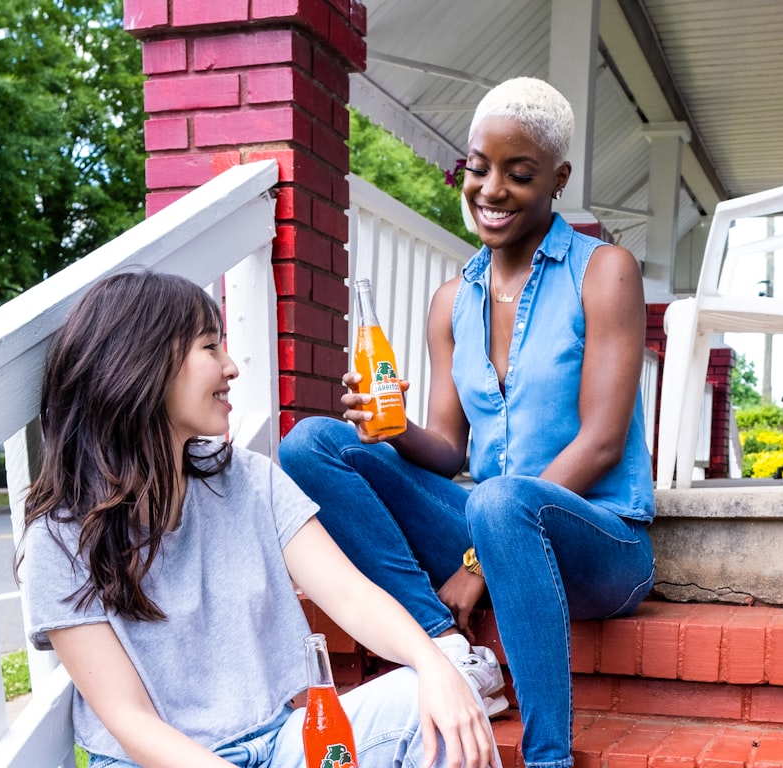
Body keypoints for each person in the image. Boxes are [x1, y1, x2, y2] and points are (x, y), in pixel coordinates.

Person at [279, 77, 655, 767]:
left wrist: (476, 565)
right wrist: (390, 433)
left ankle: (547, 758)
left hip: (599, 544)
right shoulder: (454, 298)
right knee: (310, 445)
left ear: (558, 179)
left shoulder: (605, 272)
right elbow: (449, 447)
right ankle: (451, 654)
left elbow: (600, 443)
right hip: (487, 519)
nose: (490, 190)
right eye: (478, 168)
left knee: (501, 498)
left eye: (518, 174)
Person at [19, 271, 498, 768]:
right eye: (209, 347)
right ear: (144, 367)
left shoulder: (247, 479)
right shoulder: (60, 537)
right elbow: (130, 721)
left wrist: (433, 665)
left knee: (435, 702)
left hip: (278, 744)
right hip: (155, 762)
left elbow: (351, 595)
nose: (231, 366)